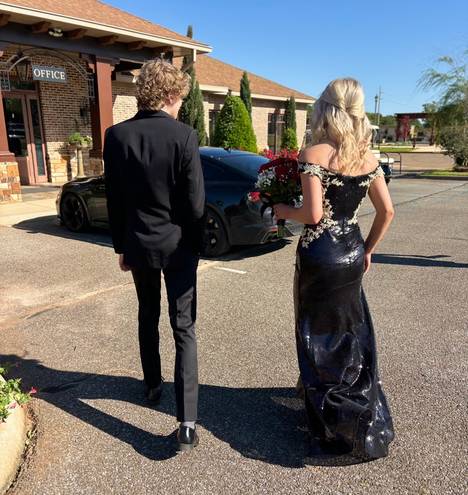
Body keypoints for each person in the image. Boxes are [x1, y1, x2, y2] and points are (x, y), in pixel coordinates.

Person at [273, 78, 395, 464]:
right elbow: (387, 211)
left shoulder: (315, 153)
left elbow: (311, 215)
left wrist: (280, 211)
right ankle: (345, 400)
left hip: (319, 255)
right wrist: (369, 250)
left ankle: (330, 414)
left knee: (315, 330)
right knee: (346, 331)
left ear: (325, 109)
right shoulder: (369, 158)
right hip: (352, 253)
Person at [103, 59, 205, 452]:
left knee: (148, 314)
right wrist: (196, 247)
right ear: (168, 95)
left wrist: (121, 247)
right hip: (179, 247)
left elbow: (115, 201)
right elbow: (196, 205)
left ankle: (151, 386)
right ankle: (187, 422)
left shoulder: (116, 137)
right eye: (179, 97)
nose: (180, 105)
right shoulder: (184, 136)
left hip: (139, 245)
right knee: (185, 328)